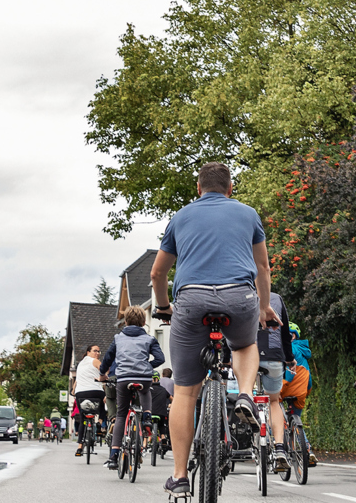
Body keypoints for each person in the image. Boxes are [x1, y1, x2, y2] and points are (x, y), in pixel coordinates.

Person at [150, 161, 280, 497]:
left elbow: (157, 274)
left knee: (184, 392)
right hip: (239, 298)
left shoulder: (180, 217)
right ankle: (247, 394)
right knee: (245, 344)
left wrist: (164, 307)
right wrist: (265, 307)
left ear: (198, 189)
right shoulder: (248, 213)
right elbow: (262, 267)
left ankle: (179, 477)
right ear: (230, 189)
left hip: (191, 301)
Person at [100, 305, 166, 470]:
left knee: (121, 414)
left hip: (123, 379)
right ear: (144, 322)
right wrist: (148, 366)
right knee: (145, 391)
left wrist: (102, 373)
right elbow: (160, 358)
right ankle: (147, 417)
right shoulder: (149, 339)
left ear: (126, 321)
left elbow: (108, 358)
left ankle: (114, 456)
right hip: (143, 377)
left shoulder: (118, 338)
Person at [259, 292, 295, 471]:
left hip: (247, 352)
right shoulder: (276, 298)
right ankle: (279, 447)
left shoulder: (238, 291)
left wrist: (227, 357)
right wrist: (289, 359)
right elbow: (285, 334)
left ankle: (248, 408)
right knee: (274, 401)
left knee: (244, 391)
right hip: (273, 354)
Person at [284, 322, 317, 466]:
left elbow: (284, 373)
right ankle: (307, 449)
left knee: (273, 405)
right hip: (302, 391)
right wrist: (306, 392)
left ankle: (279, 445)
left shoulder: (287, 348)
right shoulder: (303, 350)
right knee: (296, 416)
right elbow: (308, 380)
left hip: (286, 387)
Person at [73, 344, 106, 457]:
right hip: (96, 391)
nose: (97, 353)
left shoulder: (80, 364)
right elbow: (104, 370)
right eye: (95, 351)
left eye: (99, 351)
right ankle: (99, 423)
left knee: (82, 418)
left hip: (80, 393)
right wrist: (105, 378)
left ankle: (80, 447)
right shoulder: (94, 361)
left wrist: (73, 391)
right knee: (103, 404)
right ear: (88, 352)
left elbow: (76, 382)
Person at [148, 370, 173, 451]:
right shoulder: (163, 390)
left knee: (146, 423)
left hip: (151, 412)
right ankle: (164, 439)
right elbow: (172, 399)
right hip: (162, 412)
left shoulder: (148, 389)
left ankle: (147, 440)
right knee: (162, 425)